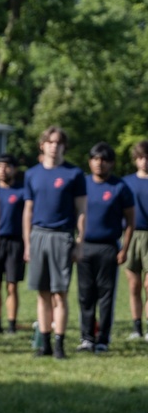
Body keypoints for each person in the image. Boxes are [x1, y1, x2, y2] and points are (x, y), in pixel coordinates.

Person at [24, 126, 86, 359]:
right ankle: (45, 343)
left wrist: (79, 242)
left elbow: (81, 210)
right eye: (50, 142)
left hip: (63, 236)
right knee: (43, 293)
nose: (54, 146)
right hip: (39, 234)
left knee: (60, 293)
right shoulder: (32, 174)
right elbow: (27, 211)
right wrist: (27, 242)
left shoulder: (74, 174)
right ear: (42, 145)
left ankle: (60, 344)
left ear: (63, 146)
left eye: (58, 142)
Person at [76, 143, 134, 353]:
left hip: (108, 248)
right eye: (95, 159)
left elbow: (130, 222)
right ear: (90, 161)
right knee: (85, 294)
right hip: (85, 247)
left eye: (104, 160)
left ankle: (102, 339)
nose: (99, 163)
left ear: (111, 163)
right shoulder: (82, 184)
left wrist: (124, 249)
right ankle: (86, 338)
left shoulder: (120, 187)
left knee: (106, 295)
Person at [0, 154, 25, 334]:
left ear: (14, 169)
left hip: (15, 241)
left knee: (12, 284)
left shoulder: (21, 191)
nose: (3, 170)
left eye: (7, 166)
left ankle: (11, 323)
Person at [122, 140, 148, 342]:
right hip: (131, 234)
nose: (144, 161)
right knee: (134, 285)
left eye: (147, 157)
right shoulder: (126, 182)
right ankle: (136, 326)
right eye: (140, 158)